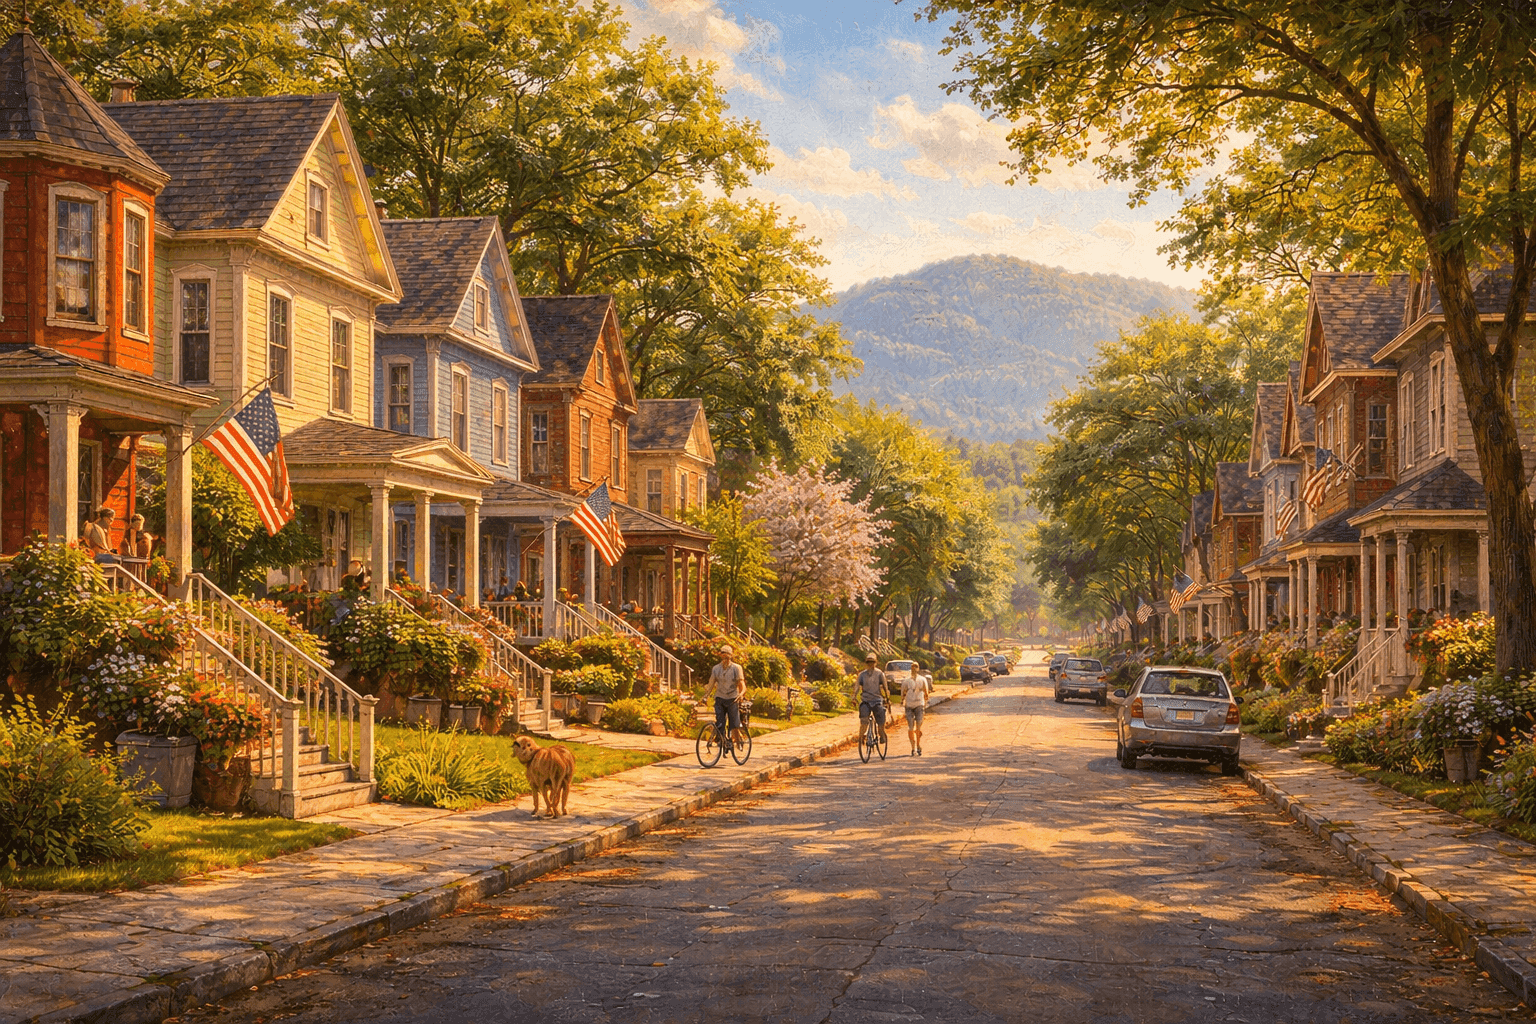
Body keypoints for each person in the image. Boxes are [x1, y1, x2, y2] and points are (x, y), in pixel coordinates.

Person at [710, 644, 748, 746]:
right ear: (720, 655)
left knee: (734, 724)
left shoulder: (736, 668)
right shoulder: (716, 669)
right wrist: (705, 696)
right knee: (720, 721)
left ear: (731, 656)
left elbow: (741, 683)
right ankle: (722, 740)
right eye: (723, 654)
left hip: (732, 698)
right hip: (720, 697)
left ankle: (737, 739)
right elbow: (711, 683)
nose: (725, 658)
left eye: (727, 655)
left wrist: (741, 694)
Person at [854, 653, 888, 743]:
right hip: (866, 700)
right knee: (864, 721)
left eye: (872, 662)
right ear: (866, 663)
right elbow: (857, 686)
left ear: (875, 663)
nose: (870, 664)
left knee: (881, 721)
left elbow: (885, 686)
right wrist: (854, 696)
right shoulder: (862, 675)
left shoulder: (880, 673)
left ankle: (882, 734)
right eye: (869, 662)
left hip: (877, 700)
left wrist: (887, 698)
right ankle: (861, 737)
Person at [901, 663, 934, 756]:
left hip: (919, 704)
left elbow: (926, 692)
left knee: (918, 725)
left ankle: (918, 745)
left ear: (918, 668)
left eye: (916, 666)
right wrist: (902, 700)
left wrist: (925, 700)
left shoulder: (922, 680)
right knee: (910, 727)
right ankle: (913, 748)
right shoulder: (906, 681)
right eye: (912, 667)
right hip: (909, 705)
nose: (914, 668)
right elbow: (902, 693)